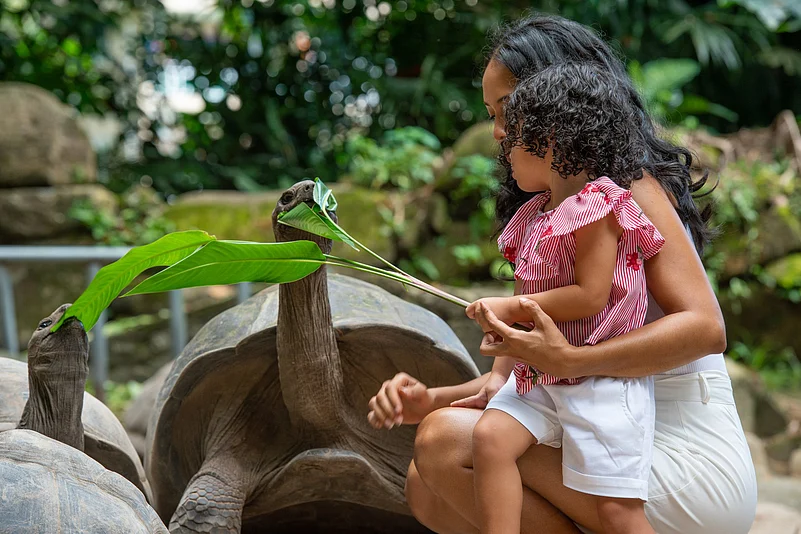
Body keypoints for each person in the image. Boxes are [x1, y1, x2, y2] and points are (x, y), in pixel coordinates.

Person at [367, 14, 757, 534]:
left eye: (506, 113)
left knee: (449, 446)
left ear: (560, 105)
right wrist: (429, 398)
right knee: (427, 483)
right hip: (585, 414)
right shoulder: (546, 213)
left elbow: (707, 329)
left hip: (677, 446)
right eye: (491, 116)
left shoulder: (620, 189)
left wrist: (574, 357)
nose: (498, 134)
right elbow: (515, 380)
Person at [466, 61, 662, 534]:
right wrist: (508, 334)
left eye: (514, 138)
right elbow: (530, 292)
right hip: (543, 374)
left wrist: (512, 309)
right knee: (490, 439)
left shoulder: (598, 205)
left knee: (616, 512)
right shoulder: (535, 213)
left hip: (601, 384)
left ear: (552, 141)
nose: (504, 150)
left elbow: (592, 295)